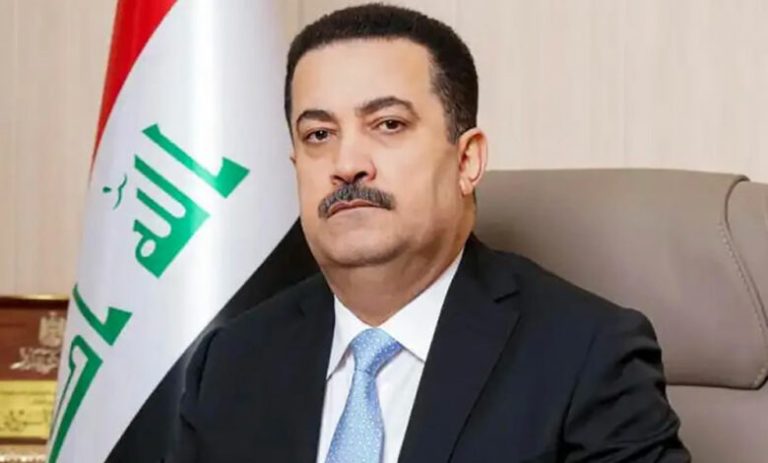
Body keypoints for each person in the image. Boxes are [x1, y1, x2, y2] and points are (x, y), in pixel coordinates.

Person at [168, 4, 690, 462]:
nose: (346, 164)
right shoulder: (230, 361)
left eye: (388, 124)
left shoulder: (588, 354)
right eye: (319, 134)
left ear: (467, 161)